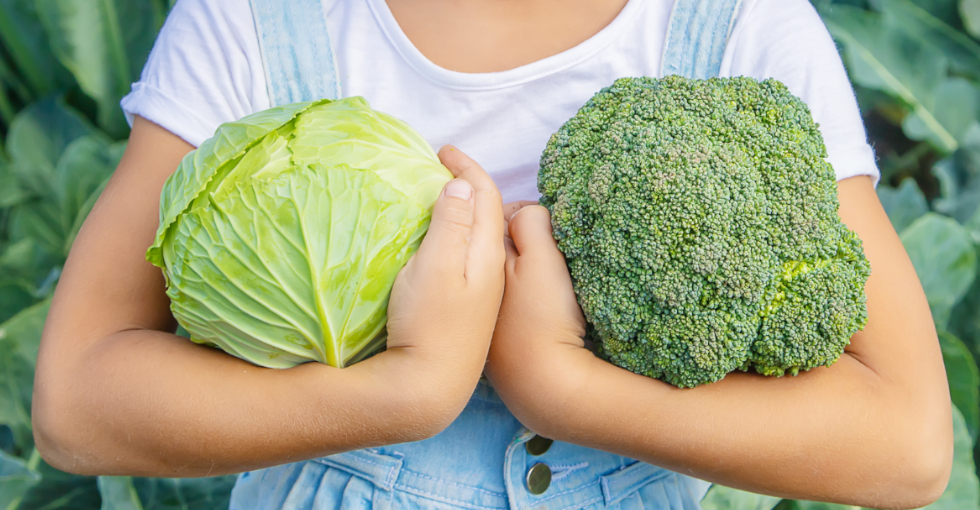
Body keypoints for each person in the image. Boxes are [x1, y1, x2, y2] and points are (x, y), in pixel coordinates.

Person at [32, 0, 952, 508]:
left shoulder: (740, 30)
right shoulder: (254, 24)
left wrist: (561, 388)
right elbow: (77, 403)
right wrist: (410, 389)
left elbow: (906, 446)